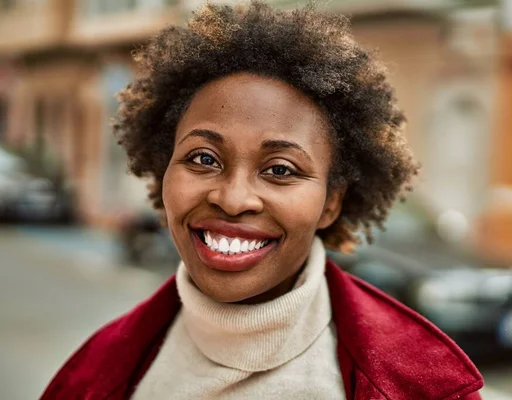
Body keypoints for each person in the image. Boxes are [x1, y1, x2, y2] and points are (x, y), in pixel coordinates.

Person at [41, 2, 483, 399]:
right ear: (163, 173)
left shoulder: (423, 388)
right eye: (203, 158)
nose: (233, 199)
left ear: (331, 202)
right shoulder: (92, 374)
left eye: (280, 170)